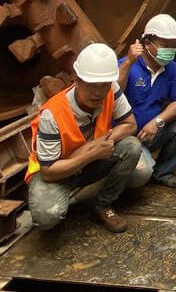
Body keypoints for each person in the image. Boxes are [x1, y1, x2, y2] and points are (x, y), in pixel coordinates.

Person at [26, 43, 148, 233]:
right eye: (91, 85)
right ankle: (71, 199)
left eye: (104, 85)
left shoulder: (110, 89)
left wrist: (95, 147)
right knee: (46, 216)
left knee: (132, 147)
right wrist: (90, 154)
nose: (98, 92)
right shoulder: (53, 114)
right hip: (57, 171)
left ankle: (102, 205)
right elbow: (48, 171)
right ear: (76, 80)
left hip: (90, 162)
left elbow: (130, 125)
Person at [118, 14, 176, 188]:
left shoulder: (171, 69)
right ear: (147, 44)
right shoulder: (128, 65)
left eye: (173, 45)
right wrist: (128, 62)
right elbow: (113, 94)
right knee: (140, 175)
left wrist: (157, 121)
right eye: (165, 45)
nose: (170, 50)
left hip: (152, 132)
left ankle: (163, 173)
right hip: (126, 138)